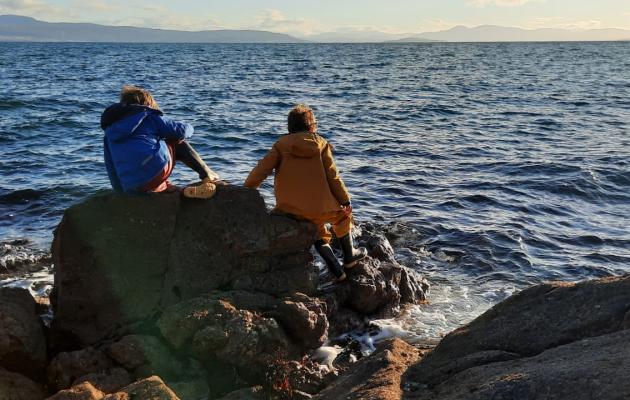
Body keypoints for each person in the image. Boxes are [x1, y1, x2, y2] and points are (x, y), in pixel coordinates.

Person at [244, 104, 367, 282]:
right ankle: (349, 257)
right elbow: (333, 177)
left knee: (316, 231)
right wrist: (345, 200)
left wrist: (247, 189)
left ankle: (335, 268)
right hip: (322, 206)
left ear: (290, 128)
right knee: (342, 218)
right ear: (311, 127)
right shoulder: (321, 144)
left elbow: (260, 171)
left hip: (289, 210)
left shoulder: (280, 145)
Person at [101, 85, 220, 198]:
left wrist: (123, 192)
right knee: (175, 141)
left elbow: (110, 166)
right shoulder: (148, 116)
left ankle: (179, 191)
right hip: (154, 171)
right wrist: (191, 127)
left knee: (150, 161)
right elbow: (181, 132)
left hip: (131, 185)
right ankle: (207, 175)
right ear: (146, 104)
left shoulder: (109, 132)